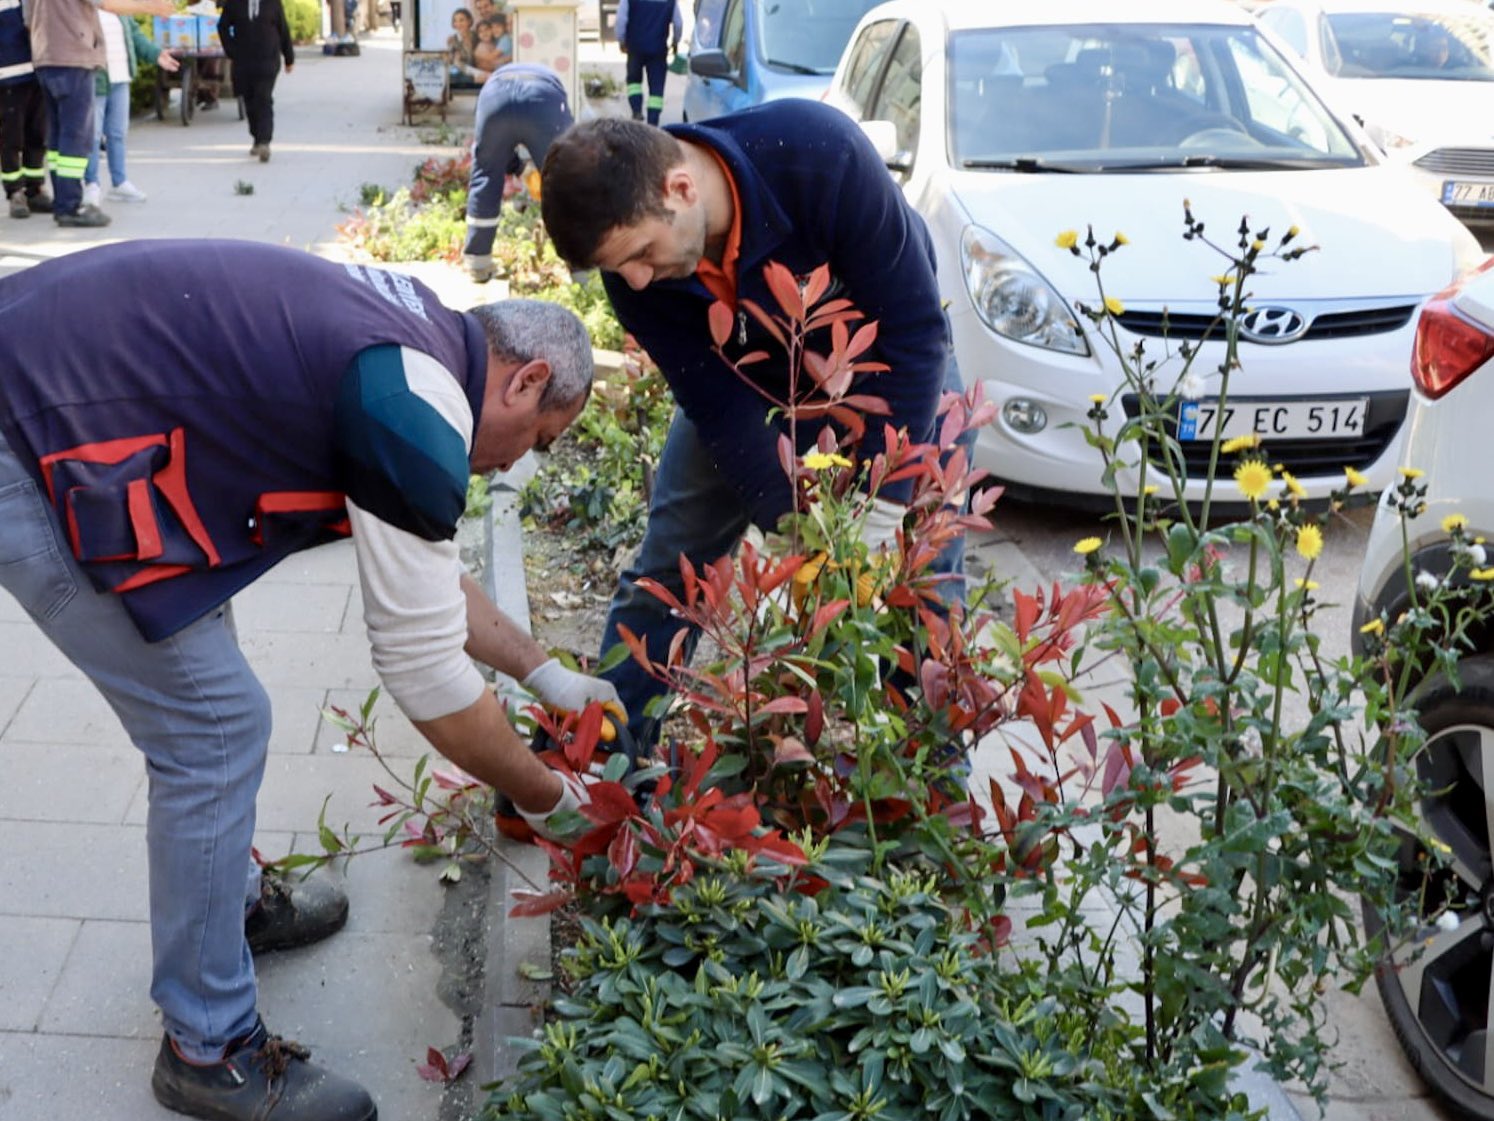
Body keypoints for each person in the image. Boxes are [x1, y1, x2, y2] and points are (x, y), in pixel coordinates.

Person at [0, 239, 616, 1121]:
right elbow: (424, 671)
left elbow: (428, 578)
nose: (517, 465)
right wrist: (549, 796)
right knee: (213, 728)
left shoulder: (421, 343)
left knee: (208, 690)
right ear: (527, 380)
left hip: (61, 386)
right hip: (28, 431)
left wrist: (544, 672)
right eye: (539, 440)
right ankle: (207, 1049)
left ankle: (226, 906)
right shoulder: (412, 408)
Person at [539, 105, 965, 753]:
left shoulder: (820, 156)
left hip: (892, 377)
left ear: (681, 188)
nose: (637, 279)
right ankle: (606, 758)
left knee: (924, 583)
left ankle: (935, 782)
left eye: (643, 254)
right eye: (620, 267)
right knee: (672, 569)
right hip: (746, 390)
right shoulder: (634, 275)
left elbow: (917, 333)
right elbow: (718, 406)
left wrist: (881, 507)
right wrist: (793, 525)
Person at [25, 0, 174, 227]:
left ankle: (62, 201)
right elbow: (107, 2)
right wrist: (151, 6)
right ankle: (70, 207)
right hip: (73, 58)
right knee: (75, 137)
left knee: (58, 138)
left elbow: (27, 18)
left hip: (46, 57)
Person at [464, 61, 572, 282]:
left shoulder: (494, 82)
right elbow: (572, 151)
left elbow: (489, 150)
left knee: (485, 175)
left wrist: (520, 168)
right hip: (542, 99)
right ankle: (580, 269)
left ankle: (478, 263)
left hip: (494, 96)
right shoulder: (554, 86)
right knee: (564, 181)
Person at [82, 11, 179, 207]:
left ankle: (119, 183)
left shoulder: (120, 7)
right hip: (96, 79)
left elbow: (135, 34)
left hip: (121, 78)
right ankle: (91, 184)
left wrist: (156, 54)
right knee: (92, 136)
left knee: (117, 134)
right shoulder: (86, 7)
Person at [219, 0, 294, 162]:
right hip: (244, 61)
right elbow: (222, 27)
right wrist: (232, 50)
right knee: (250, 100)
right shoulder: (234, 3)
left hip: (268, 60)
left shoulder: (272, 3)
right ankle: (256, 137)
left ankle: (264, 141)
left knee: (263, 98)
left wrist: (289, 57)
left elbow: (283, 29)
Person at [0, 0, 50, 219]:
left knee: (37, 134)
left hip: (38, 71)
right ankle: (15, 191)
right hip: (7, 76)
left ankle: (34, 188)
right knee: (11, 138)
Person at [615, 0, 681, 125]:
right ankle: (653, 122)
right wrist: (675, 42)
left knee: (634, 82)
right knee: (656, 89)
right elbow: (678, 24)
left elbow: (620, 20)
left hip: (635, 48)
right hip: (658, 50)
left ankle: (636, 111)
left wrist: (621, 40)